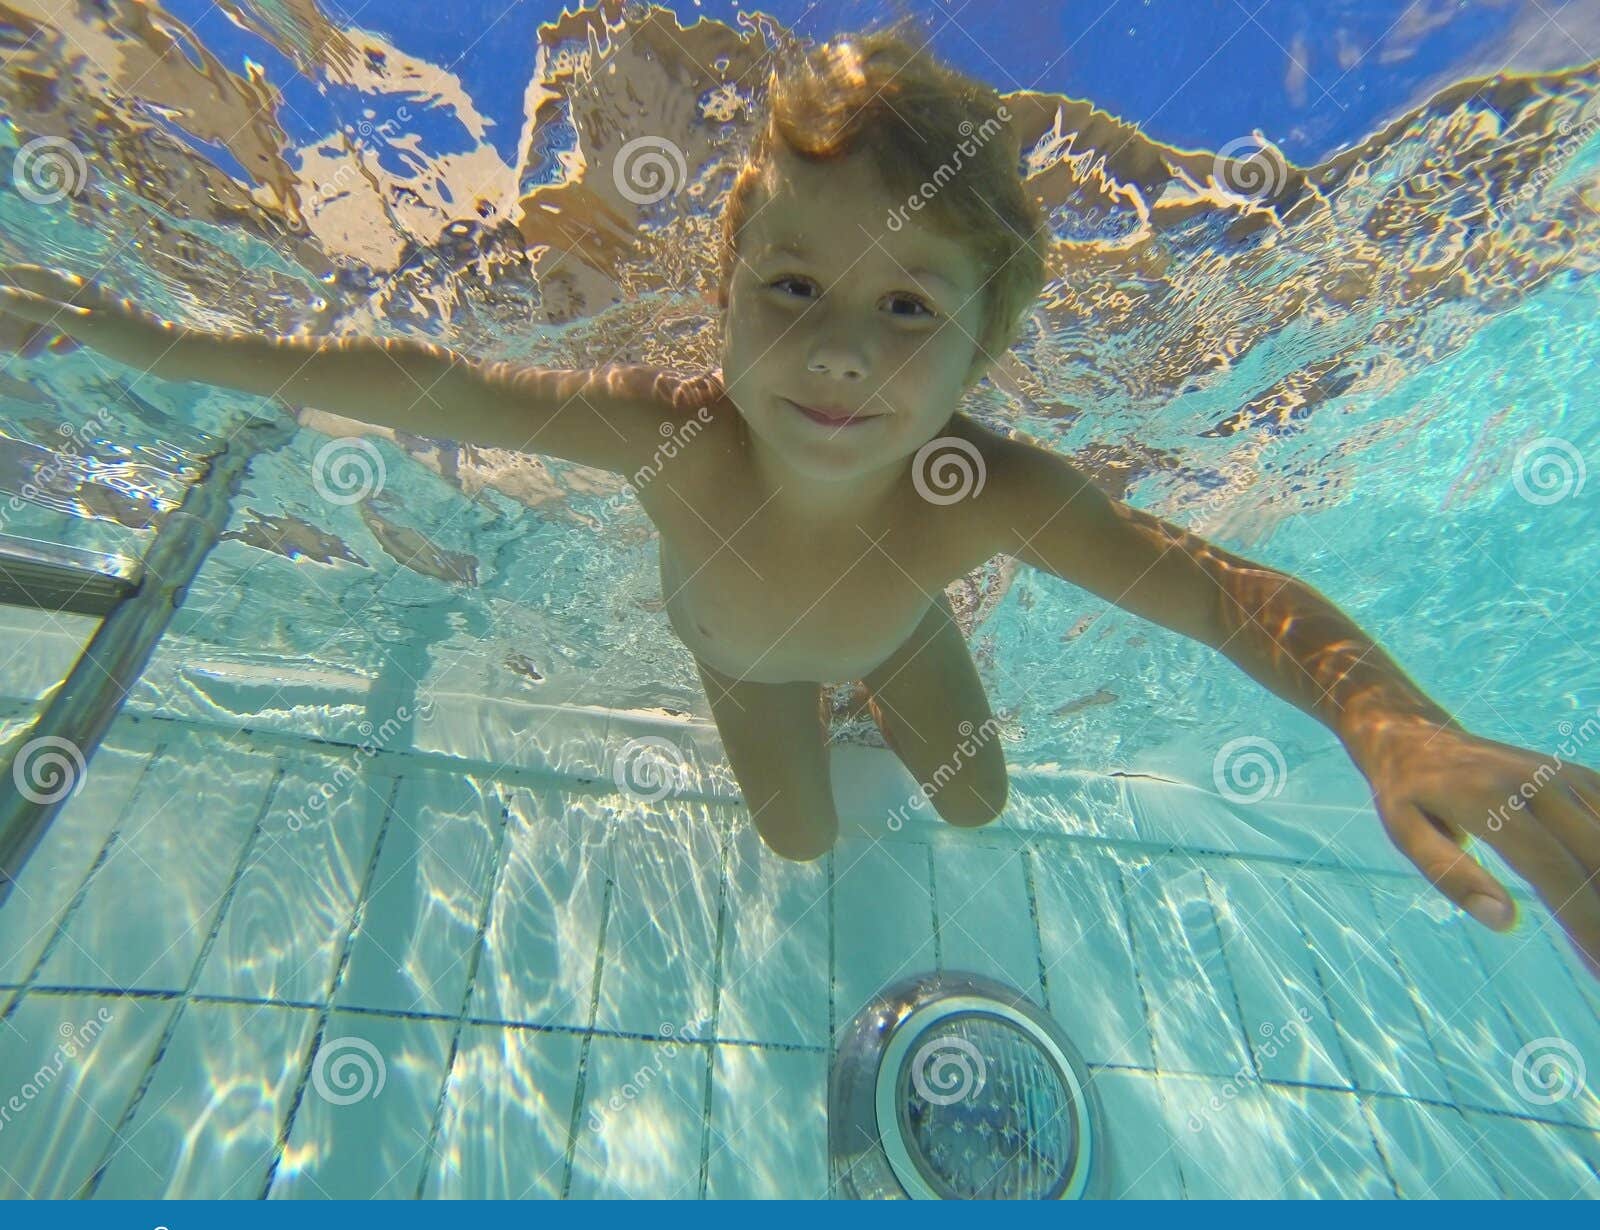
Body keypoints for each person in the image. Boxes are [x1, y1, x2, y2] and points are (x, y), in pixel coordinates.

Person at [3, 26, 1597, 979]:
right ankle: (822, 719)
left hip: (903, 635)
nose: (837, 351)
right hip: (745, 658)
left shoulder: (982, 494)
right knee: (797, 840)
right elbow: (416, 381)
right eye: (793, 285)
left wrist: (1382, 721)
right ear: (722, 288)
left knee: (980, 802)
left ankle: (877, 695)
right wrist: (144, 331)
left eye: (909, 310)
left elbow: (1215, 586)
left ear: (990, 343)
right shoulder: (668, 436)